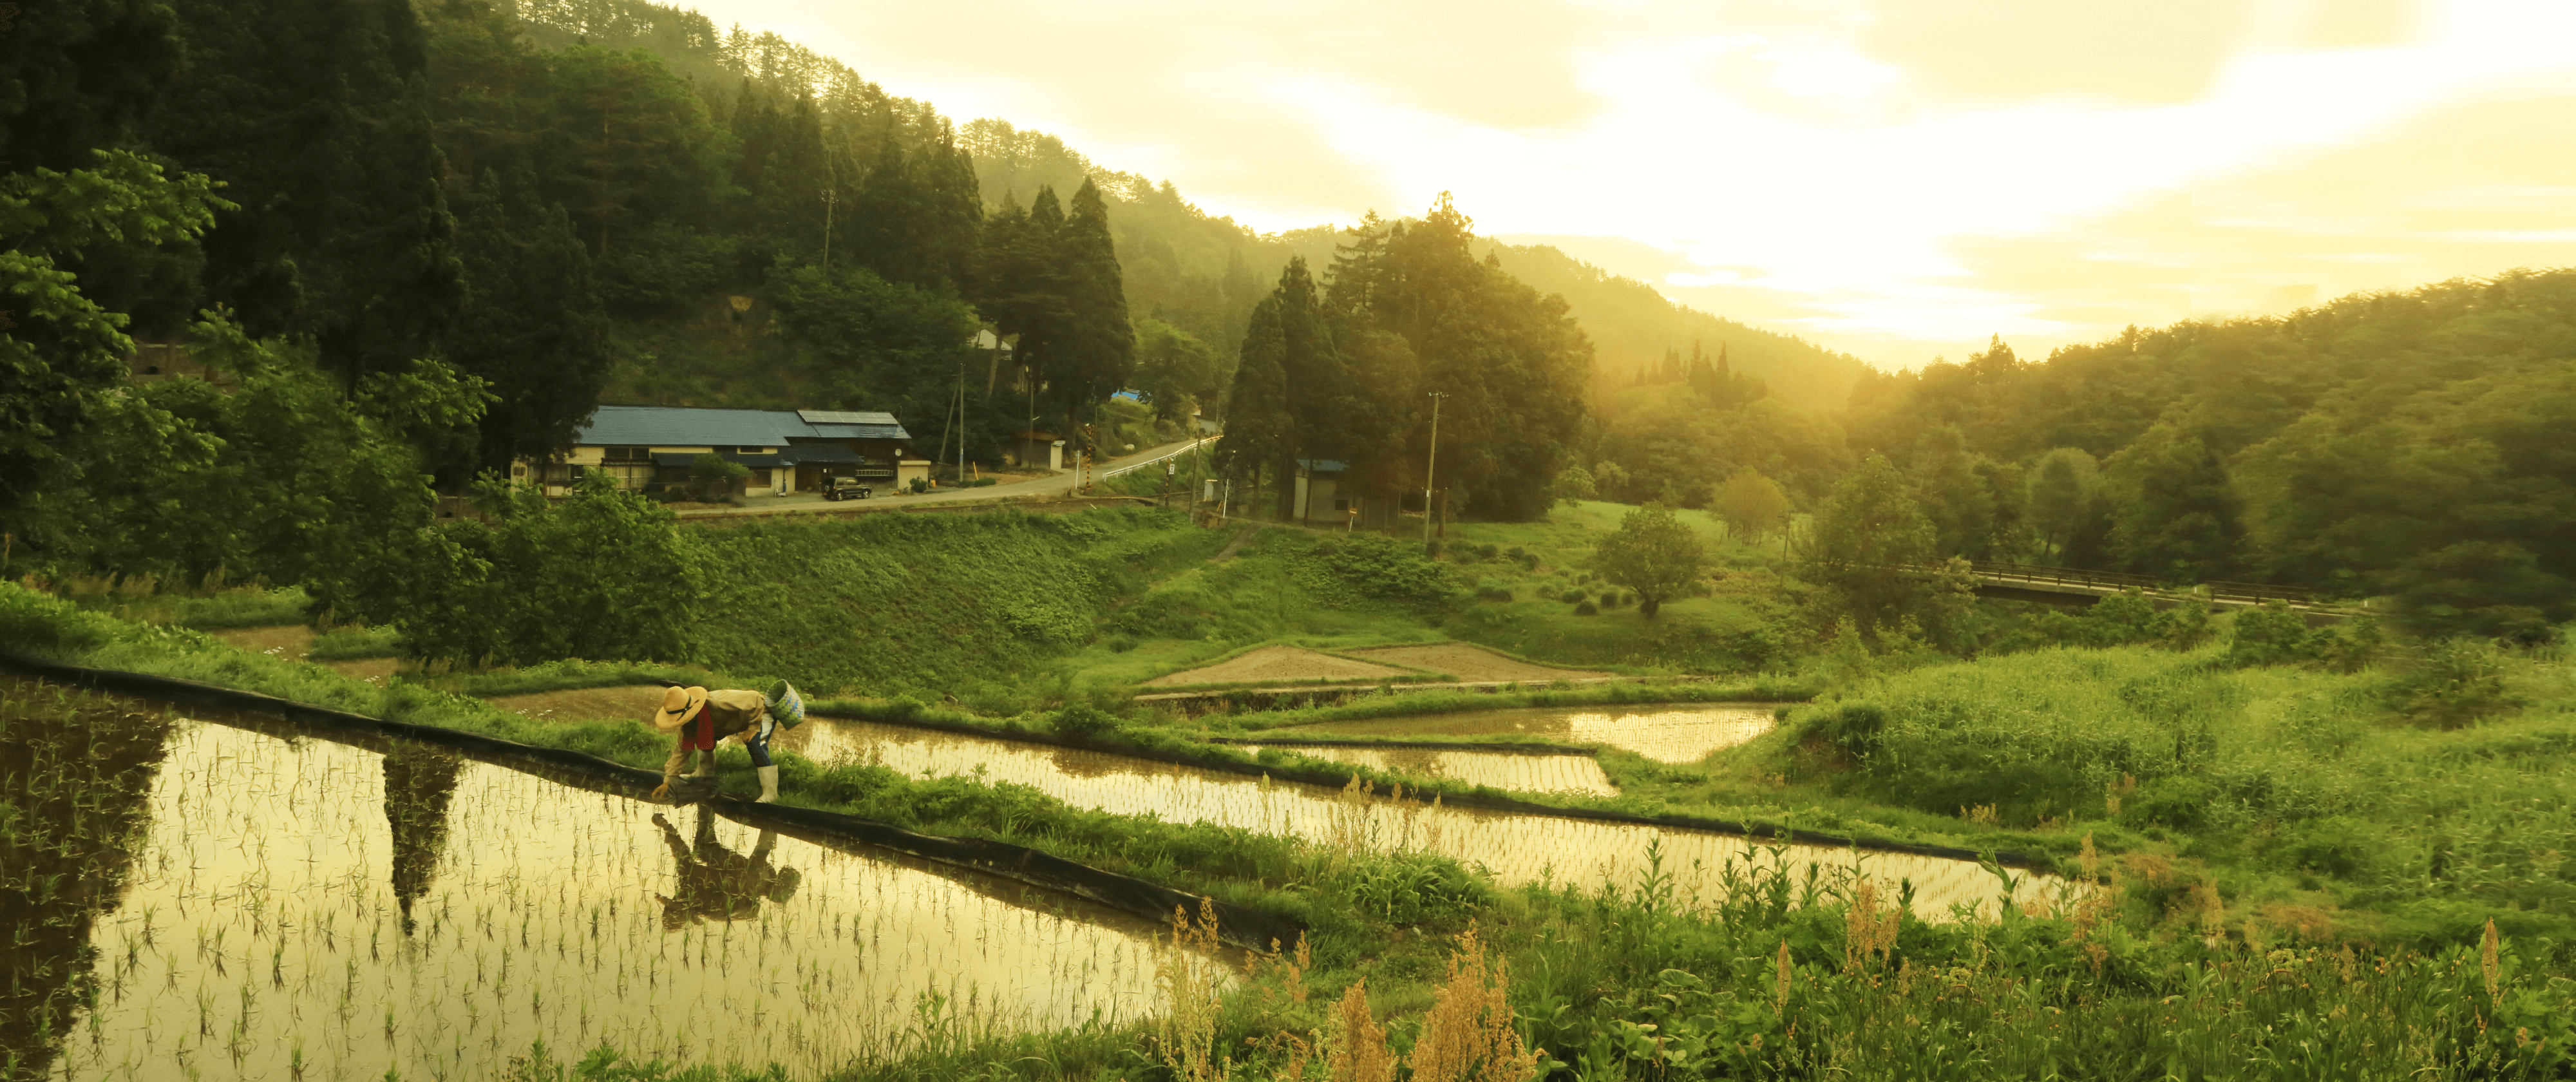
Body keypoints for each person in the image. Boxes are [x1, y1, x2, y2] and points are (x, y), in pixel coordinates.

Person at [648, 681, 804, 802]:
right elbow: (681, 751)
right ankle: (705, 773)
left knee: (755, 744)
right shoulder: (691, 724)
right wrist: (667, 782)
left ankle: (771, 794)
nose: (683, 722)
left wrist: (754, 727)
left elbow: (755, 698)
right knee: (703, 735)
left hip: (760, 713)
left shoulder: (719, 702)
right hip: (734, 722)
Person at [650, 807, 800, 929]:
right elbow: (752, 912)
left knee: (704, 848)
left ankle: (706, 803)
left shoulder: (690, 885)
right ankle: (770, 821)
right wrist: (666, 827)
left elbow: (678, 848)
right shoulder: (702, 901)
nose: (677, 897)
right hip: (757, 878)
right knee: (705, 848)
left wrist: (666, 826)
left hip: (755, 877)